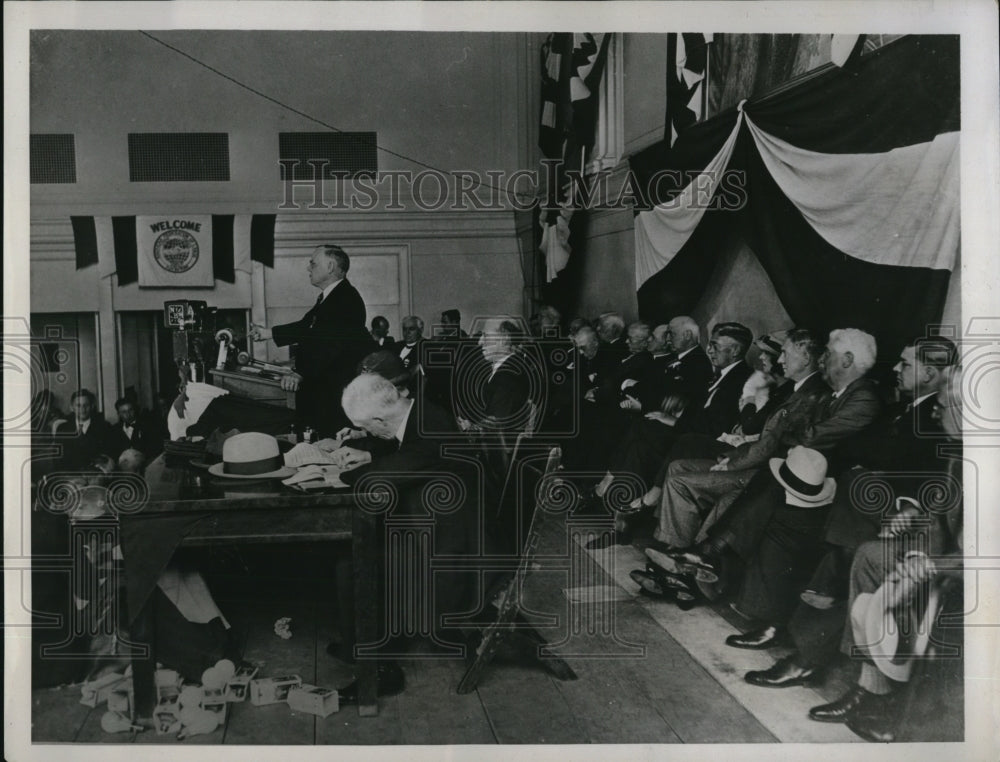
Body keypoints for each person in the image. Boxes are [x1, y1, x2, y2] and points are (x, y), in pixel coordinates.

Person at [332, 374, 497, 700]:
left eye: (366, 427)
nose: (368, 433)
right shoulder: (420, 412)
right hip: (444, 527)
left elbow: (390, 472)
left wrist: (342, 474)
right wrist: (368, 455)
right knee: (354, 554)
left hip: (457, 551)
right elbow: (401, 450)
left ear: (379, 420)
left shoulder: (431, 428)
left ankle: (378, 667)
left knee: (355, 563)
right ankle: (362, 643)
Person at [250, 244, 373, 435]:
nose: (308, 268)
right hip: (325, 387)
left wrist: (301, 373)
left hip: (333, 395)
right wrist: (267, 333)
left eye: (313, 264)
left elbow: (331, 346)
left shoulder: (345, 299)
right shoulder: (333, 296)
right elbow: (307, 326)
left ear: (330, 267)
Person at [55, 389, 121, 468]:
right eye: (78, 405)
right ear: (71, 408)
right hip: (70, 472)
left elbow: (109, 455)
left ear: (92, 406)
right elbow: (58, 458)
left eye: (86, 405)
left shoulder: (104, 427)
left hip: (96, 472)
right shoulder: (62, 429)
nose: (83, 409)